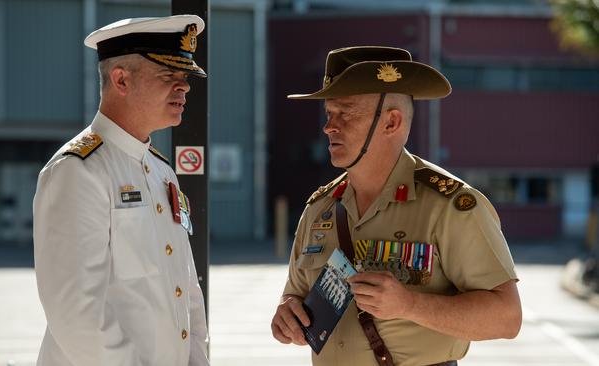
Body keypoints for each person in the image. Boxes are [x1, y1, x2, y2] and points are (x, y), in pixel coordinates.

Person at [270, 46, 522, 366]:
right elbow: (296, 293)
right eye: (329, 113)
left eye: (346, 112)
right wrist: (287, 312)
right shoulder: (320, 208)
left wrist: (409, 305)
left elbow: (506, 317)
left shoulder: (449, 206)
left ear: (391, 122)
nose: (329, 126)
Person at [33, 15, 209, 366]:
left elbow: (185, 290)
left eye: (185, 77)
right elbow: (76, 312)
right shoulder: (78, 170)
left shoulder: (162, 172)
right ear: (121, 79)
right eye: (168, 76)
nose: (184, 87)